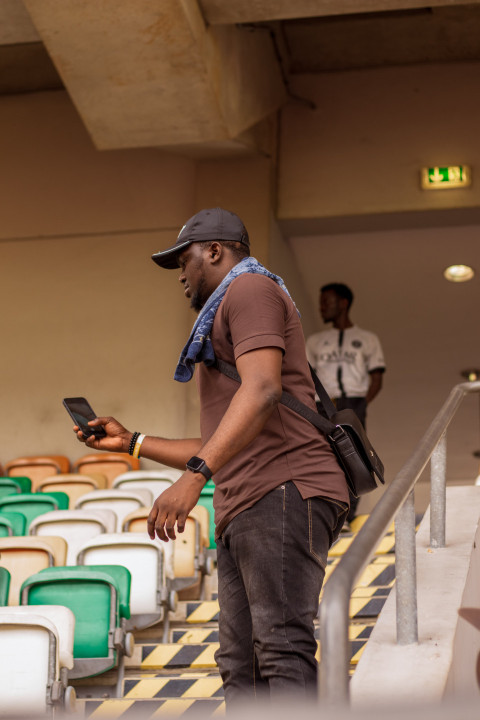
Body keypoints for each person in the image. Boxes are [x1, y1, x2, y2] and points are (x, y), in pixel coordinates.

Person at [73, 208, 349, 706]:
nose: (180, 273)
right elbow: (219, 439)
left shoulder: (250, 291)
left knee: (280, 649)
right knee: (239, 666)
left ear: (216, 251)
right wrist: (130, 441)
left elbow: (263, 390)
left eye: (185, 259)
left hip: (283, 487)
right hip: (247, 500)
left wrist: (196, 478)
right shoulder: (226, 311)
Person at [306, 282, 386, 522]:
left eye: (326, 302)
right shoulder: (315, 341)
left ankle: (348, 515)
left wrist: (360, 405)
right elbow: (306, 378)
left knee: (355, 456)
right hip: (322, 405)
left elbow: (377, 377)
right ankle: (327, 513)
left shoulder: (367, 339)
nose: (322, 308)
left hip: (353, 403)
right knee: (322, 456)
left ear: (343, 303)